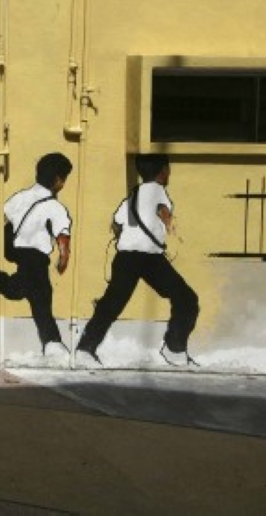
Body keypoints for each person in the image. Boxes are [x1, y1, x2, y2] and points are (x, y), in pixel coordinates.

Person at [76, 153, 200, 367]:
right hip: (149, 258)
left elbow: (116, 223)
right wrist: (171, 227)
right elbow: (163, 211)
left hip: (125, 257)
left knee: (112, 304)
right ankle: (174, 349)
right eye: (168, 169)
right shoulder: (158, 191)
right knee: (187, 299)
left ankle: (85, 349)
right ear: (162, 172)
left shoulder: (132, 196)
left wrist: (127, 237)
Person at [0, 152, 73, 357]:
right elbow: (63, 237)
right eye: (63, 179)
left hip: (16, 251)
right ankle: (52, 343)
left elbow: (6, 215)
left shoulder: (21, 197)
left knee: (22, 290)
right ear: (57, 180)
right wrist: (64, 258)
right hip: (36, 255)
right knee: (41, 295)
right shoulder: (54, 207)